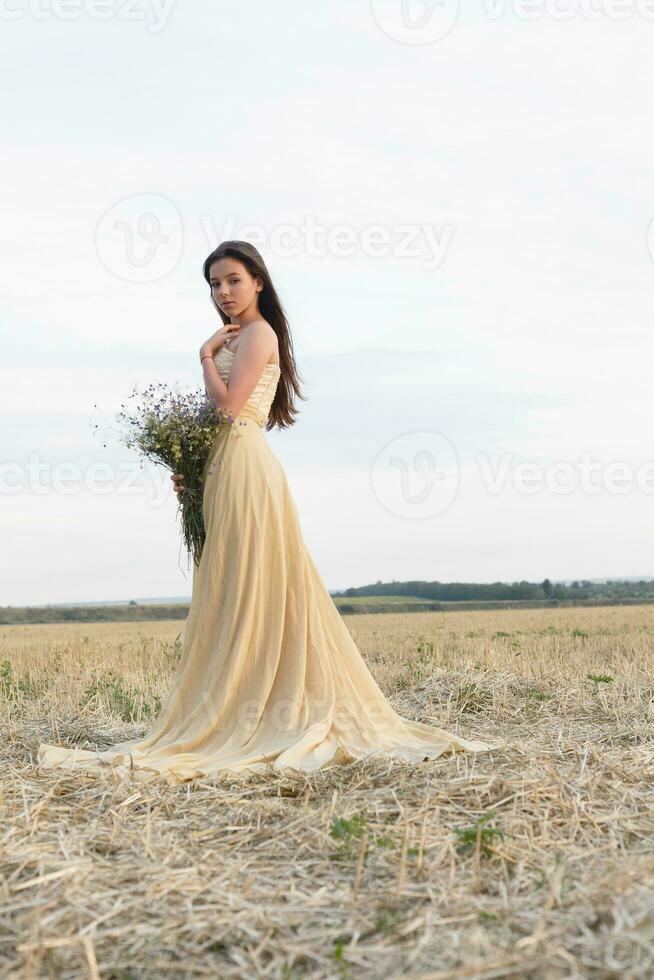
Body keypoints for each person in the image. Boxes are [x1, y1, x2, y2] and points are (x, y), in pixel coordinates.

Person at [37, 241, 494, 785]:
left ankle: (260, 711)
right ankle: (233, 707)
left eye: (232, 280)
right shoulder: (238, 336)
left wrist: (204, 357)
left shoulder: (258, 334)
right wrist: (190, 467)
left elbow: (230, 409)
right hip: (223, 468)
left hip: (248, 468)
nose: (222, 292)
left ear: (258, 281)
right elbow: (215, 421)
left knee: (259, 586)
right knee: (232, 587)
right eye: (213, 284)